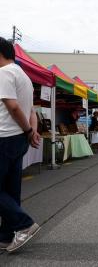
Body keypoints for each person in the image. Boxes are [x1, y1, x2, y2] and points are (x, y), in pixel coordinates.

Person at [0, 37, 41, 252]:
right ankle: (6, 236)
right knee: (11, 189)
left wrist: (28, 130)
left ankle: (24, 224)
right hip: (19, 139)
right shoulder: (24, 76)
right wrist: (31, 132)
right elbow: (31, 111)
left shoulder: (4, 73)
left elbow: (14, 107)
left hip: (5, 137)